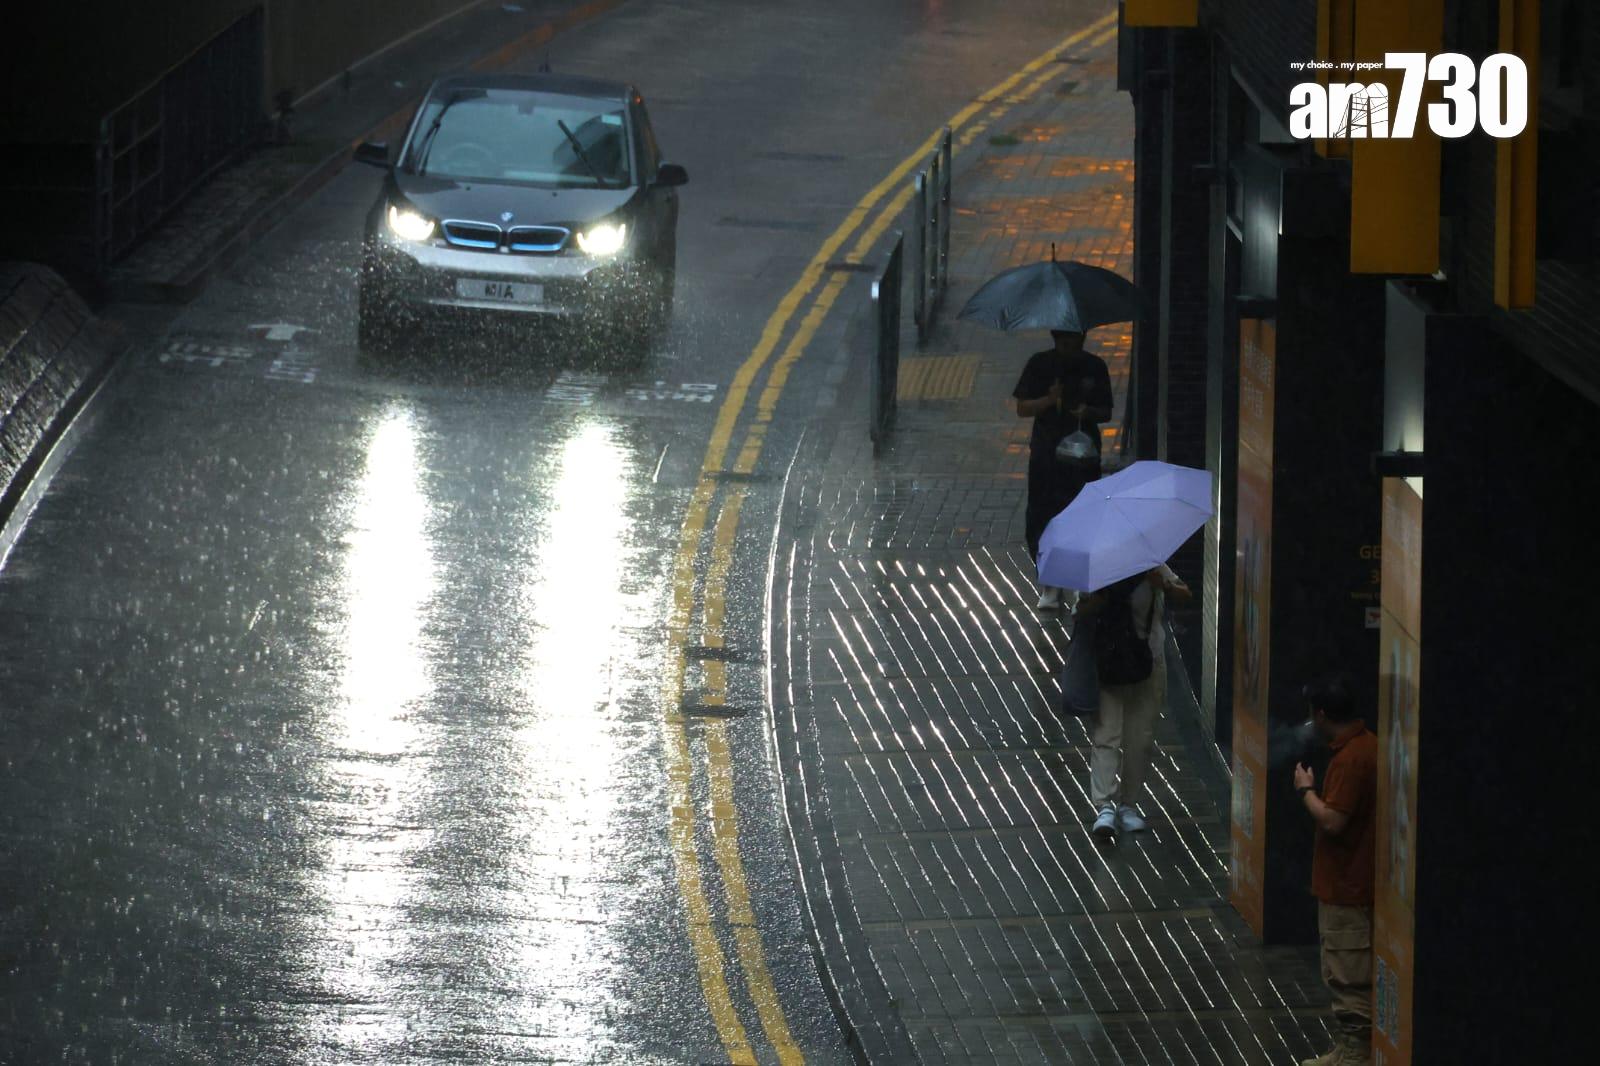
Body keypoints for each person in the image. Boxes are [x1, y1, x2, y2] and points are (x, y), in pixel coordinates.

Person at [1293, 672, 1377, 1066]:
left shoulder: (1351, 759)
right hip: (1346, 882)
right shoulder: (1365, 746)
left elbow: (1334, 821)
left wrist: (1306, 791)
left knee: (1348, 971)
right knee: (1342, 966)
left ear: (1323, 713)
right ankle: (1347, 1047)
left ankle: (1356, 1053)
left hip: (1347, 884)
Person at [1082, 564, 1190, 837]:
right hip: (1108, 662)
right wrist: (1097, 599)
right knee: (1107, 733)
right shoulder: (1098, 565)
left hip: (1148, 661)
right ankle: (1104, 805)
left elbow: (1185, 593)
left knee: (1140, 738)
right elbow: (1079, 610)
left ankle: (1128, 804)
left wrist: (1161, 584)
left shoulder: (1152, 565)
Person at [1011, 329, 1113, 610]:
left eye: (1073, 339)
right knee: (1043, 517)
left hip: (1083, 456)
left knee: (1083, 516)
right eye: (1062, 339)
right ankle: (1051, 584)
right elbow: (1022, 407)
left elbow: (1106, 410)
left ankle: (1082, 582)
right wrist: (1049, 400)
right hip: (1046, 455)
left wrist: (1086, 412)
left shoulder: (1094, 366)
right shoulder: (1040, 364)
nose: (1067, 344)